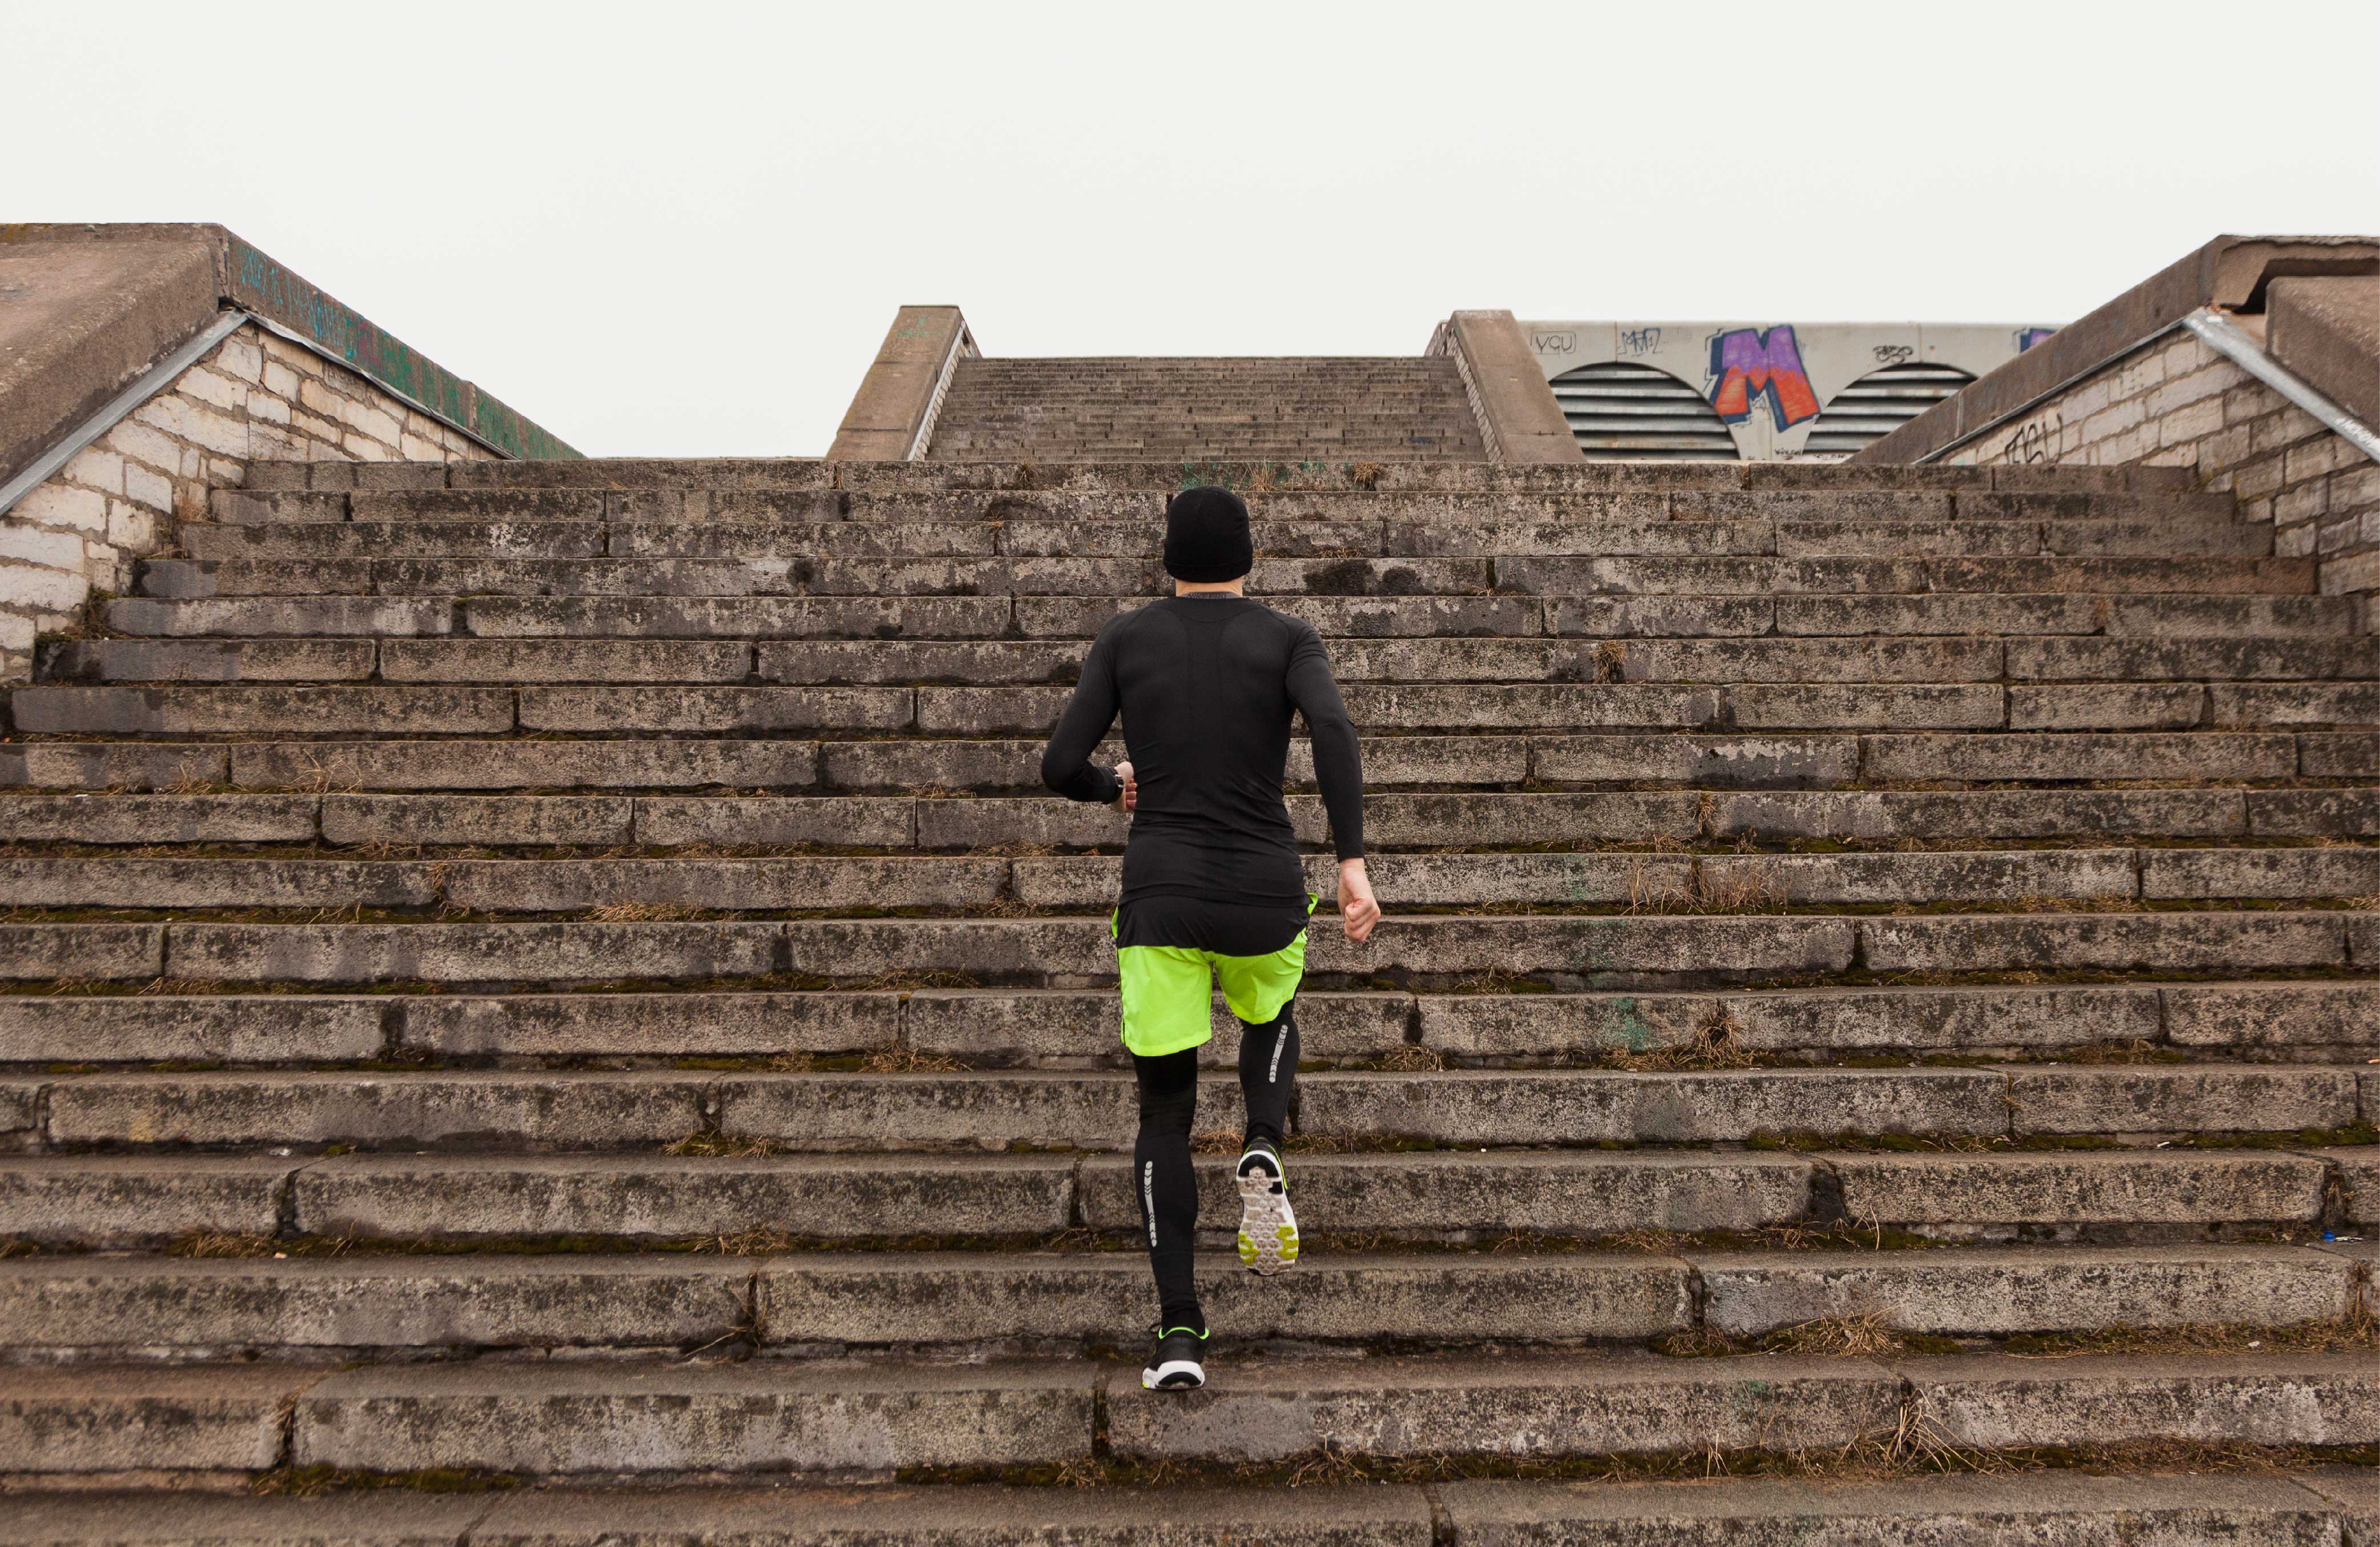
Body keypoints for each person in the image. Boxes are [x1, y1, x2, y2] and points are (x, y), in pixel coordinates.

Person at [1041, 484, 1379, 1393]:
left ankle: (1180, 1333)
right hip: (1264, 889)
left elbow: (1056, 764)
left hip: (1161, 897)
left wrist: (1115, 789)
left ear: (1167, 561)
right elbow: (1336, 730)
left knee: (1164, 1112)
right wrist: (1351, 862)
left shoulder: (1125, 638)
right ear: (1249, 559)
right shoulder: (1286, 638)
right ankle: (1263, 1140)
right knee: (1272, 1014)